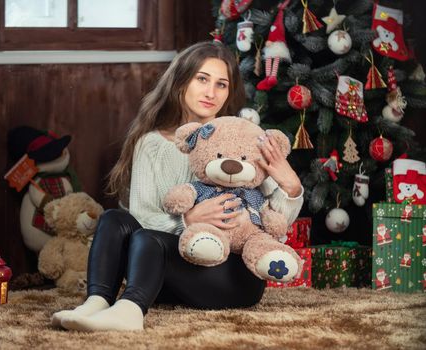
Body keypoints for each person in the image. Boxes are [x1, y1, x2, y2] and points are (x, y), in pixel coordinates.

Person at [51, 41, 304, 332]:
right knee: (114, 219)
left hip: (230, 278)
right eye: (202, 79)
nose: (211, 92)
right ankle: (97, 303)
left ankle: (130, 310)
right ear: (181, 80)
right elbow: (141, 216)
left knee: (149, 240)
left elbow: (275, 226)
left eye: (221, 85)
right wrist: (188, 220)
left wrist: (290, 184)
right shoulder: (152, 144)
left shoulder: (244, 140)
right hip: (170, 273)